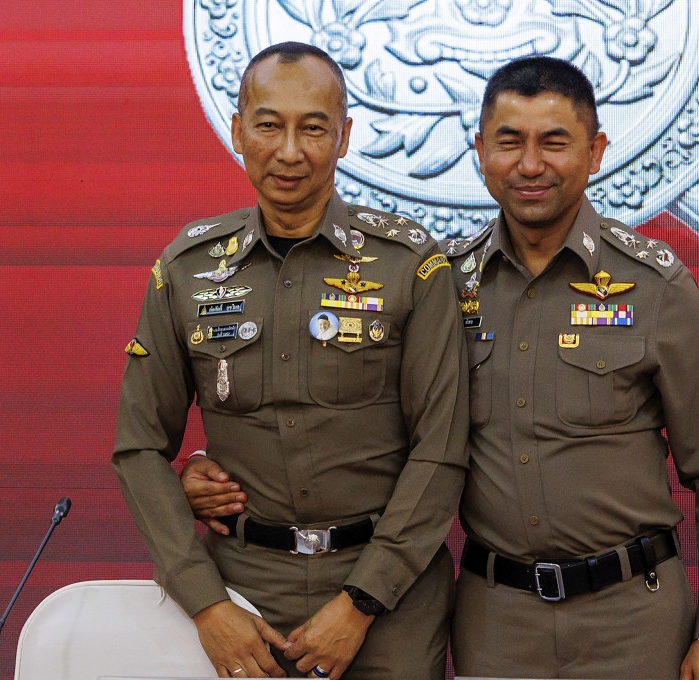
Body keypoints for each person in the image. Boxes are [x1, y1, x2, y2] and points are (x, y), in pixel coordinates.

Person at [183, 55, 699, 679]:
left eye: (554, 143)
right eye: (509, 142)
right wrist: (215, 472)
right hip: (496, 618)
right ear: (480, 152)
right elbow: (361, 418)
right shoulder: (441, 283)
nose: (530, 164)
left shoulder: (654, 286)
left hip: (634, 618)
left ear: (595, 153)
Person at [113, 41, 468, 680]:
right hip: (239, 597)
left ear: (345, 136)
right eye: (268, 124)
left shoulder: (409, 265)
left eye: (313, 128)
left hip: (389, 598)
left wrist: (361, 603)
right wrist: (205, 604)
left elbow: (441, 449)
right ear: (237, 130)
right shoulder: (188, 270)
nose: (289, 151)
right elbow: (139, 446)